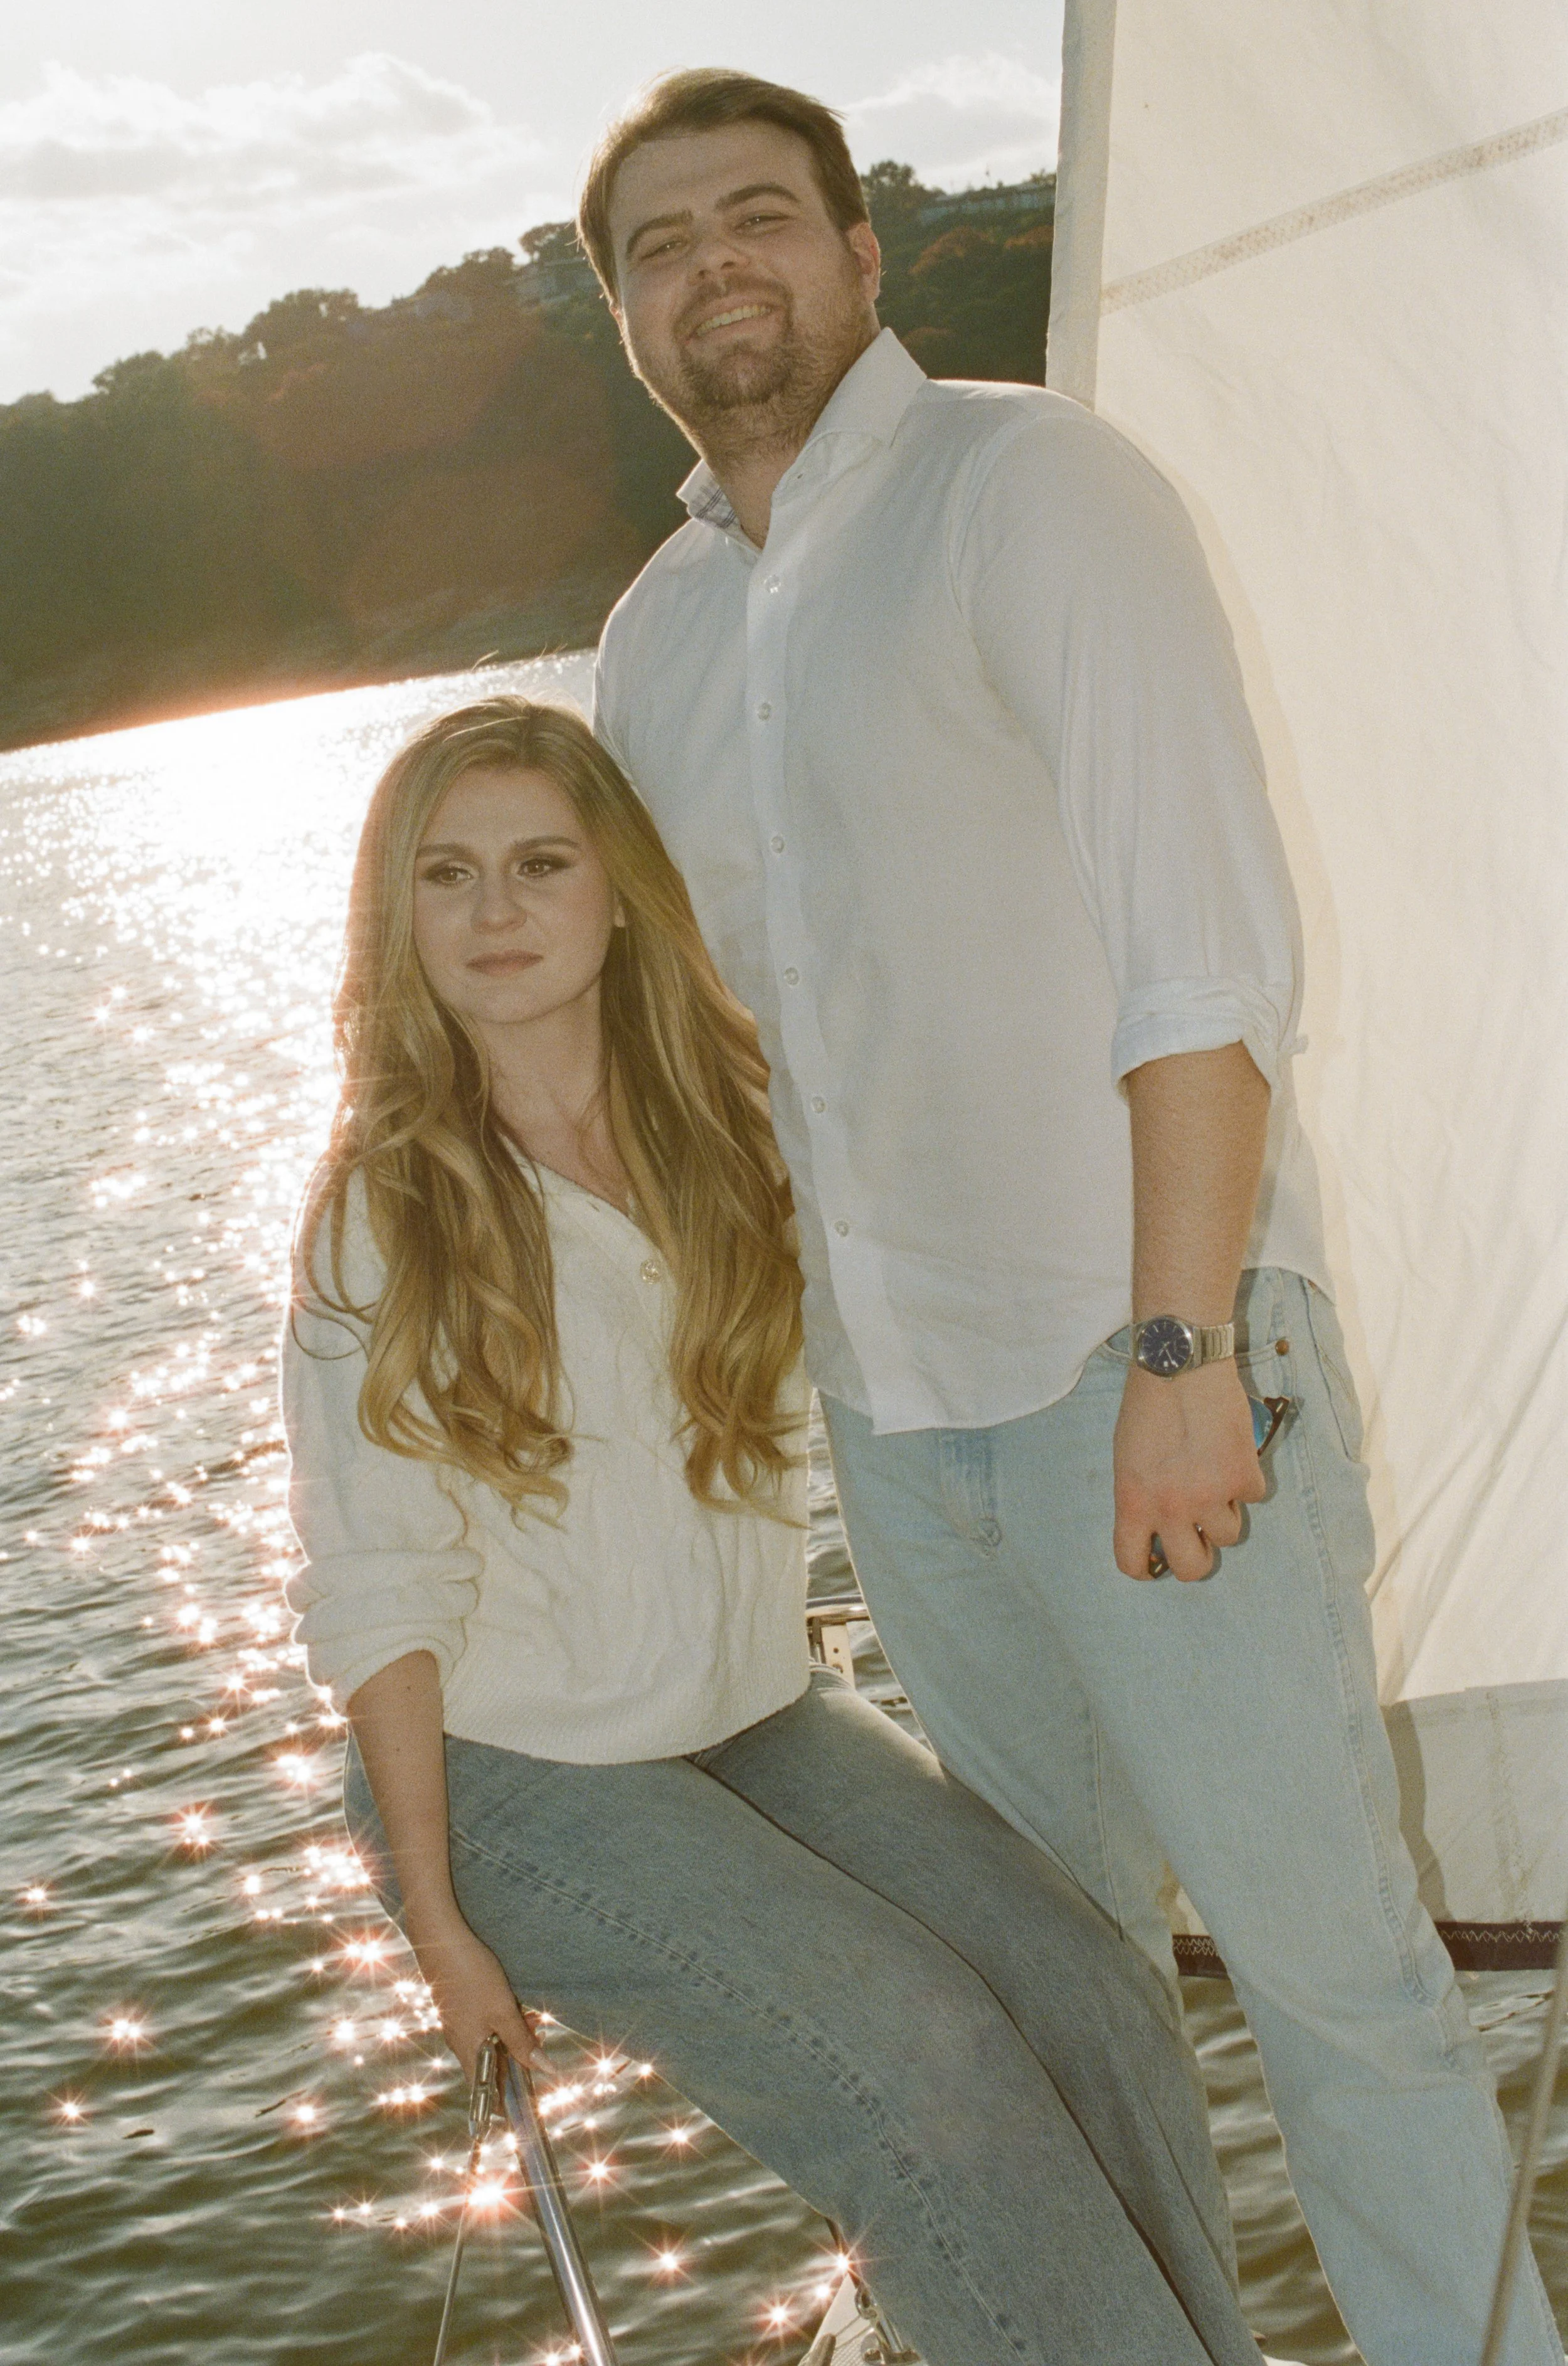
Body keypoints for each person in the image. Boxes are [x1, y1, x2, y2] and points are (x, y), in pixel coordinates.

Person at [583, 67, 1564, 2366]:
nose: (713, 264)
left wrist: (1182, 1350)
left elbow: (1198, 956)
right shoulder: (643, 646)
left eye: (757, 217)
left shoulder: (1028, 489)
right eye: (657, 241)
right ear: (619, 306)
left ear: (859, 250)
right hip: (901, 1428)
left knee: (1334, 1985)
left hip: (1145, 1366)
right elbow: (705, 1070)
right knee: (1086, 1999)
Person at [280, 694, 1266, 2366]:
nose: (497, 912)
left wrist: (1180, 1347)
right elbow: (374, 1585)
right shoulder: (388, 1215)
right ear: (400, 916)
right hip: (506, 1776)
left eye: (538, 863)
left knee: (1086, 1988)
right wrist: (439, 1919)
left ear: (615, 893)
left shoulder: (726, 1128)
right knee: (928, 2061)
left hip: (749, 1715)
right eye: (448, 875)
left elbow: (946, 1247)